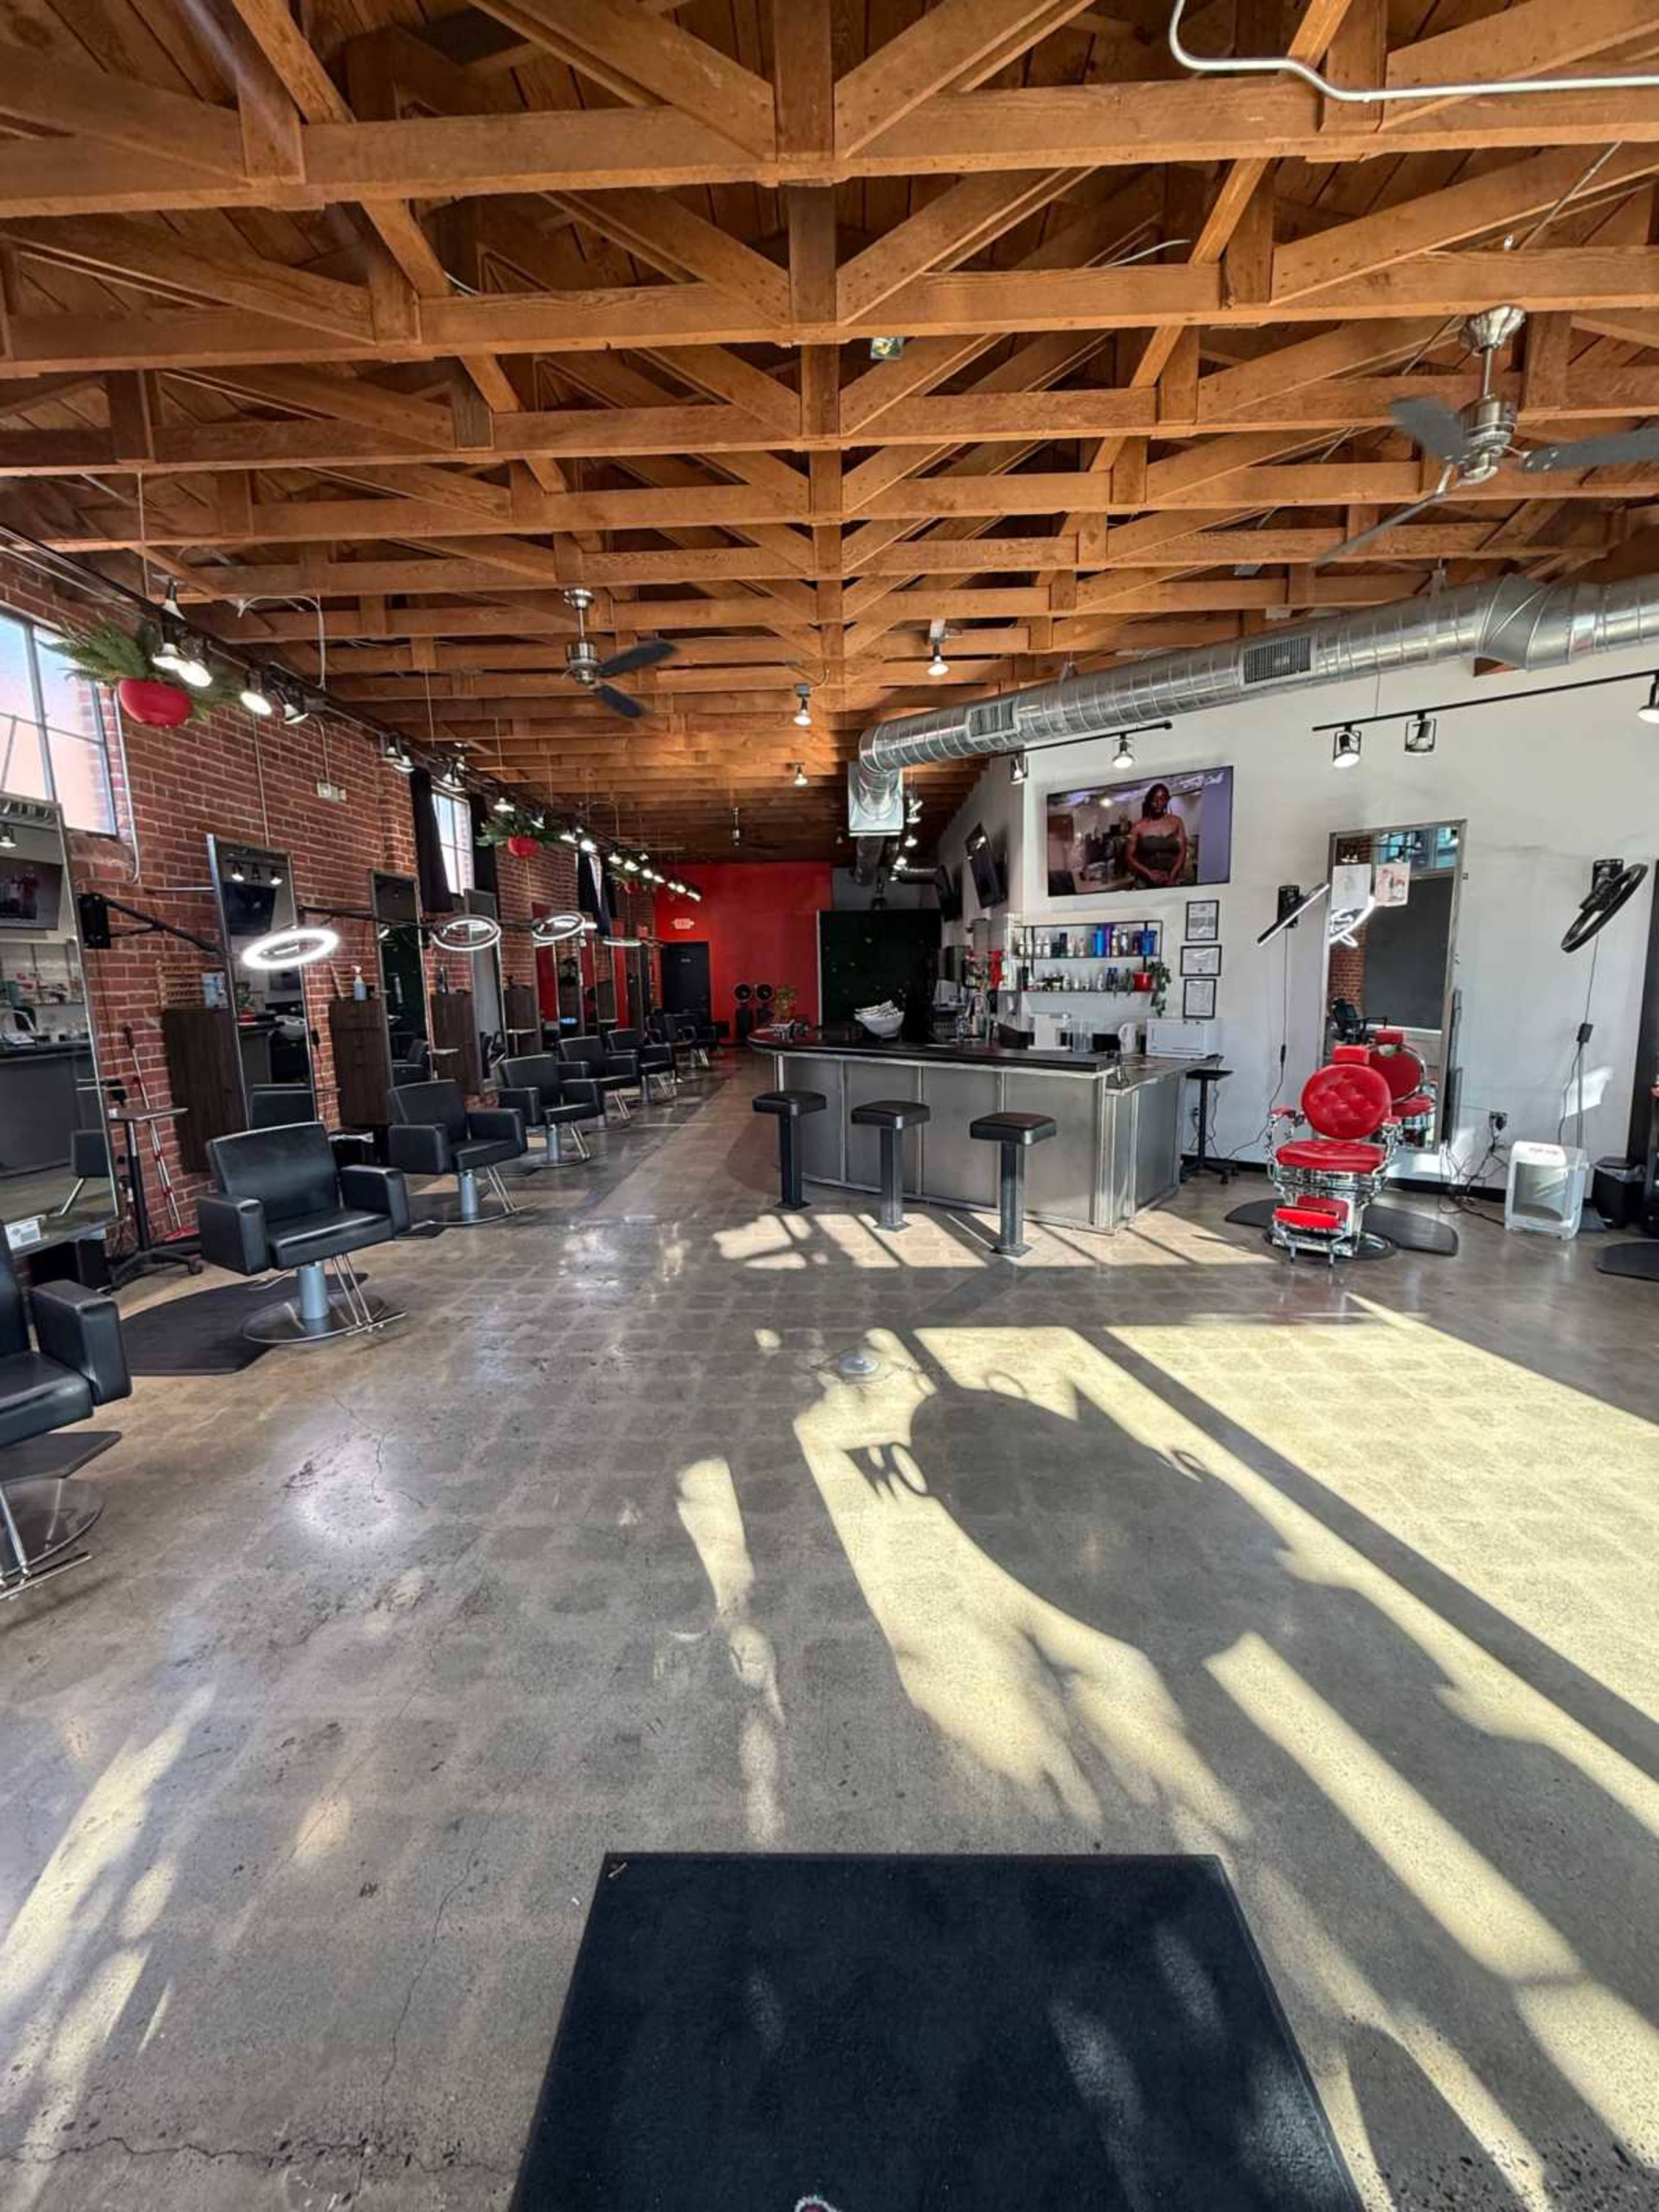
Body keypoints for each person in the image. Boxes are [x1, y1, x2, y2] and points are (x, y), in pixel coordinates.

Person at [1125, 782, 1189, 887]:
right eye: (1155, 799)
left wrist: (1172, 877)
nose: (1159, 803)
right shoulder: (1138, 827)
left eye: (1163, 799)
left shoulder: (1177, 822)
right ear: (1149, 801)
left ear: (1168, 800)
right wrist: (1149, 874)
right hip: (1145, 879)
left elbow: (1183, 851)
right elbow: (1129, 857)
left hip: (1172, 878)